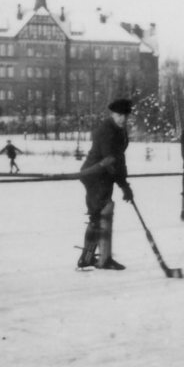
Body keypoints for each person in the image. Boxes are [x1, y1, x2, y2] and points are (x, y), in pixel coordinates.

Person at [77, 99, 134, 271]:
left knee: (99, 215)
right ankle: (104, 259)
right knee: (104, 211)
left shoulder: (121, 130)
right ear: (112, 114)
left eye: (125, 115)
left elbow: (119, 160)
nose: (122, 119)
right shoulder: (105, 131)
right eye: (119, 115)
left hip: (104, 175)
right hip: (94, 175)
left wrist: (125, 185)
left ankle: (88, 258)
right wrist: (123, 185)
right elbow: (109, 160)